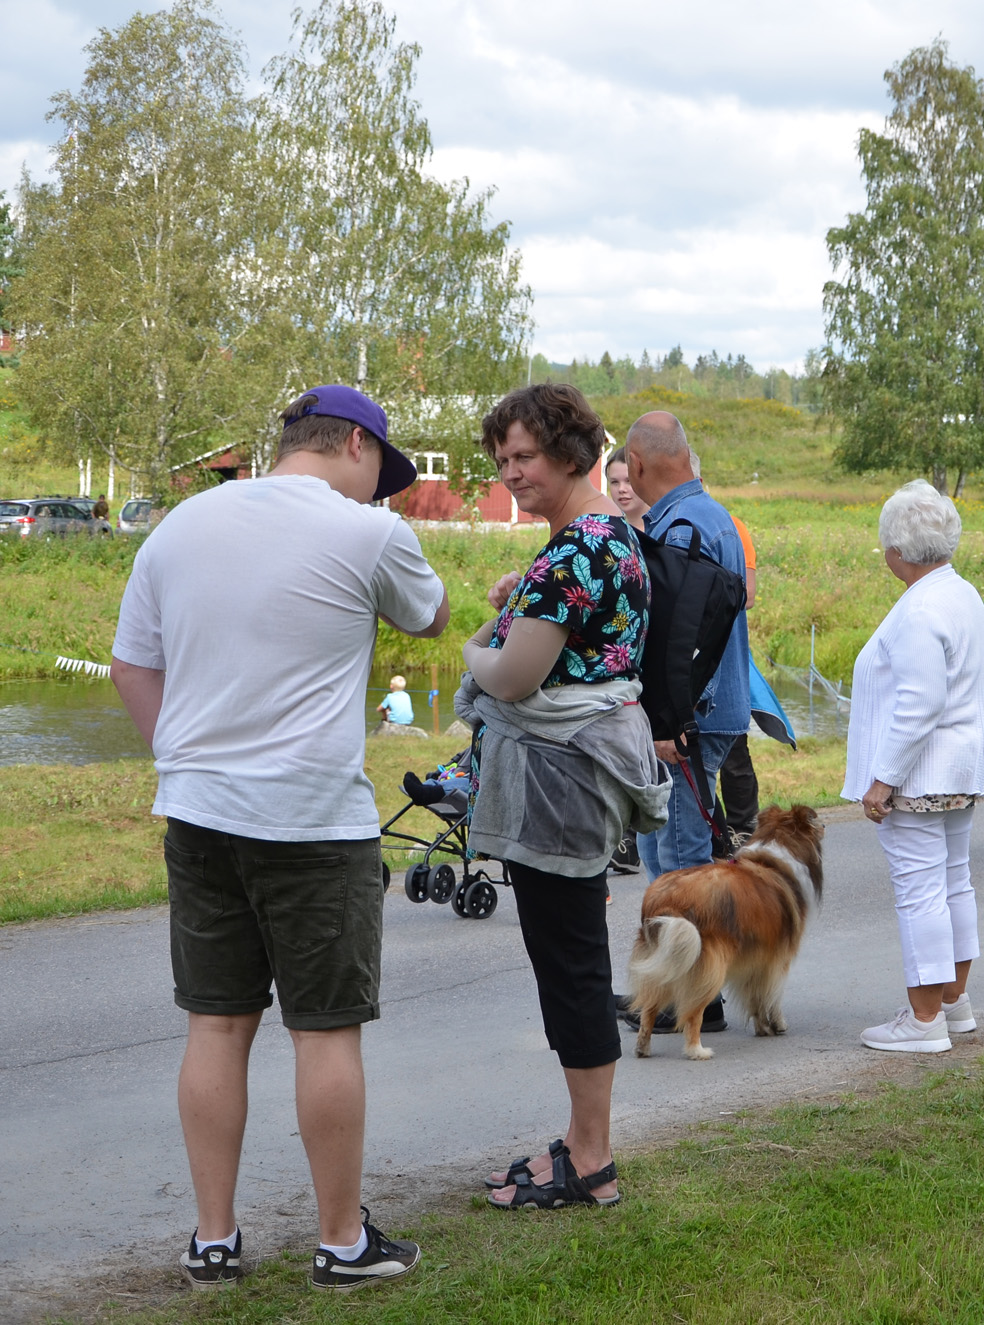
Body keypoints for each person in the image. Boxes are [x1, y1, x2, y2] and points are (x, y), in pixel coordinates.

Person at [110, 384, 448, 1290]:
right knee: (325, 1031)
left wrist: (184, 760)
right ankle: (341, 1242)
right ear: (357, 447)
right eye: (381, 473)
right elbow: (432, 616)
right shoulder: (370, 531)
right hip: (312, 819)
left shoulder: (179, 525)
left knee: (216, 1023)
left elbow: (131, 665)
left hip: (198, 811)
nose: (381, 492)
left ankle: (213, 1239)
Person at [461, 383, 667, 1212]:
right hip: (590, 770)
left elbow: (512, 676)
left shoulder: (573, 551)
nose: (512, 472)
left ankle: (590, 1160)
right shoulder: (612, 535)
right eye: (502, 459)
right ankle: (584, 1143)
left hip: (558, 778)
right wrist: (523, 601)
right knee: (571, 957)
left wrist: (479, 645)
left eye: (526, 456)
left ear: (571, 452)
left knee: (570, 965)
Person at [846, 481, 984, 1051]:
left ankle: (922, 1022)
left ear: (897, 550)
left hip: (921, 773)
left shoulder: (919, 609)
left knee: (920, 892)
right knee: (953, 881)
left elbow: (920, 703)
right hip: (962, 768)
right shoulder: (962, 593)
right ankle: (952, 1002)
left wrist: (882, 780)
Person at [620, 410, 750, 882]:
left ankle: (689, 935)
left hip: (687, 726)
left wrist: (674, 723)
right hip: (702, 716)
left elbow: (685, 640)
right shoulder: (708, 515)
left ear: (636, 463)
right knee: (661, 853)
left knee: (680, 866)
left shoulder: (682, 529)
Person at [718, 512, 762, 853]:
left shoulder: (731, 525)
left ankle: (744, 828)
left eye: (627, 484)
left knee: (733, 747)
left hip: (723, 653)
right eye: (616, 485)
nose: (622, 489)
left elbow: (747, 595)